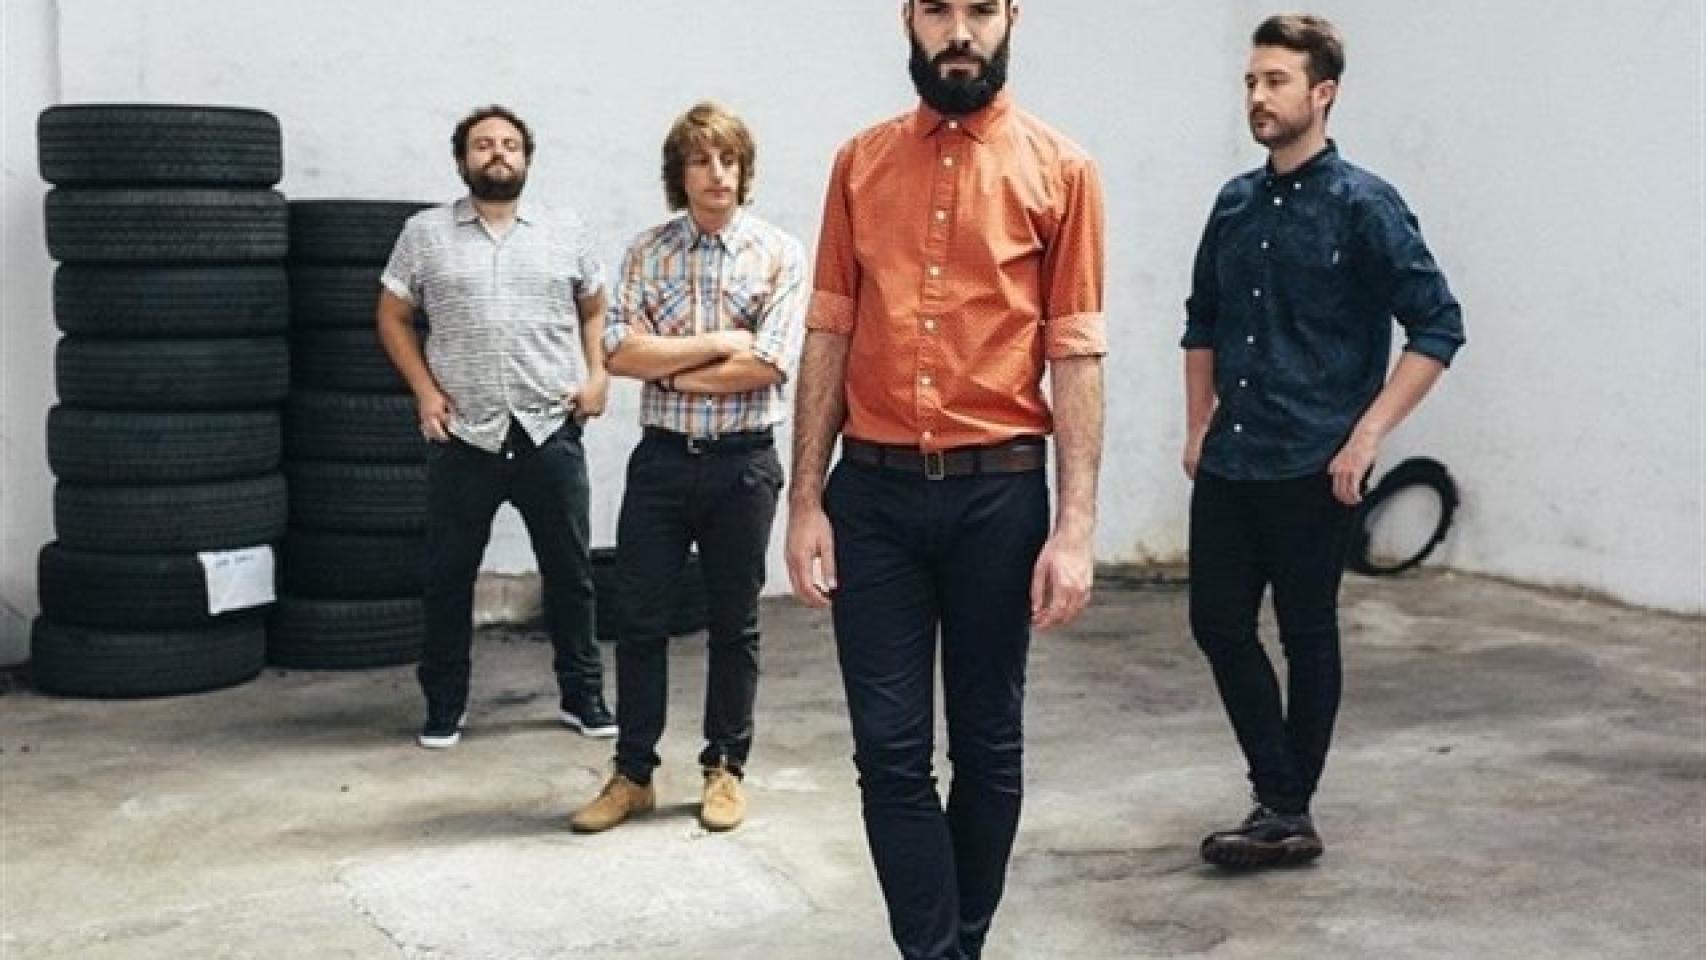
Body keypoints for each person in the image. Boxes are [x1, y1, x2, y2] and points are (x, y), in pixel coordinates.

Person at [786, 2, 1105, 956]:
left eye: (979, 9)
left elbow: (1076, 351)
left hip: (998, 498)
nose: (958, 30)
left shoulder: (1065, 170)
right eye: (937, 8)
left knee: (988, 745)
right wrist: (805, 498)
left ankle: (953, 945)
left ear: (1011, 18)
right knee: (888, 751)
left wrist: (1076, 526)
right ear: (908, 19)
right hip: (873, 498)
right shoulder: (858, 164)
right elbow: (830, 328)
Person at [1181, 14, 1465, 868]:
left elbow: (1437, 326)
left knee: (1307, 632)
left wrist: (1366, 435)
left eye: (1276, 81)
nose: (1258, 97)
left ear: (1323, 93)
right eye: (1251, 81)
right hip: (1231, 458)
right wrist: (1196, 423)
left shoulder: (1364, 205)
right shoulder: (1234, 203)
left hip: (1315, 464)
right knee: (1217, 624)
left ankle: (1283, 806)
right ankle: (1284, 800)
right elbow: (1202, 321)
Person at [569, 101, 807, 834]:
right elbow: (617, 352)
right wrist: (721, 342)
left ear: (744, 170)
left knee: (735, 623)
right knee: (640, 617)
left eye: (729, 160)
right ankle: (633, 774)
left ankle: (725, 768)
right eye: (701, 160)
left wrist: (669, 370)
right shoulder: (646, 252)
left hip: (744, 466)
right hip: (664, 464)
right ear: (680, 173)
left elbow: (771, 363)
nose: (717, 174)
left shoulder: (779, 253)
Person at [377, 104, 615, 749]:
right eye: (483, 145)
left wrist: (597, 376)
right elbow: (392, 315)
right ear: (463, 161)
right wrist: (425, 392)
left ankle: (584, 697)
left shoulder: (565, 230)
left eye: (510, 144)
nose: (498, 154)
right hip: (465, 437)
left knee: (571, 575)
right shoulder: (425, 234)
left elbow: (594, 308)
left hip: (549, 429)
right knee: (448, 578)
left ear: (526, 158)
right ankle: (444, 706)